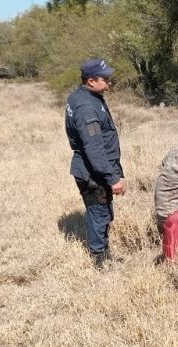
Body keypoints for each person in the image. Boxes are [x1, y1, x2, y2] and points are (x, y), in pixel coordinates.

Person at [65, 58, 126, 267]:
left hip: (98, 168)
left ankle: (104, 252)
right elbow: (94, 147)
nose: (109, 83)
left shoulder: (88, 96)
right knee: (99, 213)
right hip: (92, 171)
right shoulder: (86, 107)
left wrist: (117, 171)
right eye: (106, 79)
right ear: (91, 81)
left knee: (103, 212)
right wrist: (112, 178)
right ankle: (99, 259)